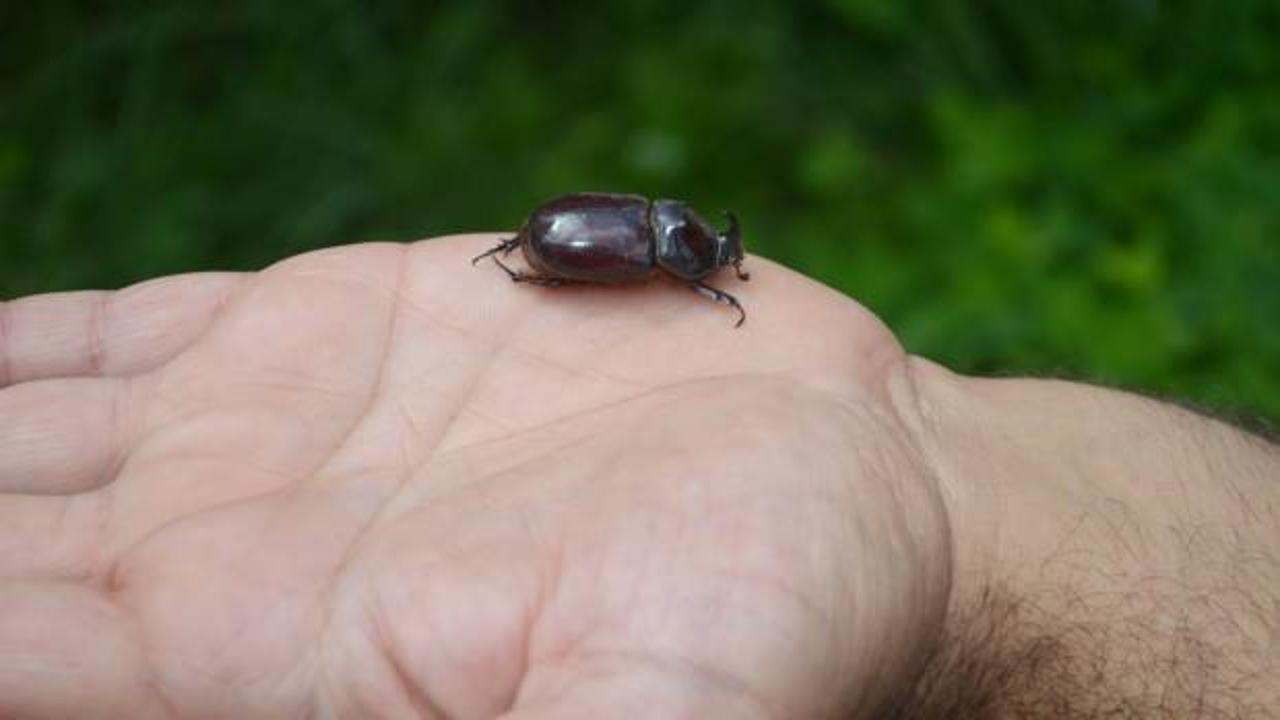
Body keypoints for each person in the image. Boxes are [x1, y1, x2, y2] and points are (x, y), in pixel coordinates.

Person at [0, 235, 1275, 719]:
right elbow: (603, 257)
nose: (712, 265)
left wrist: (936, 494)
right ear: (683, 253)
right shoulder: (652, 261)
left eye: (707, 260)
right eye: (707, 257)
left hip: (557, 237)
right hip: (558, 242)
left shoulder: (676, 261)